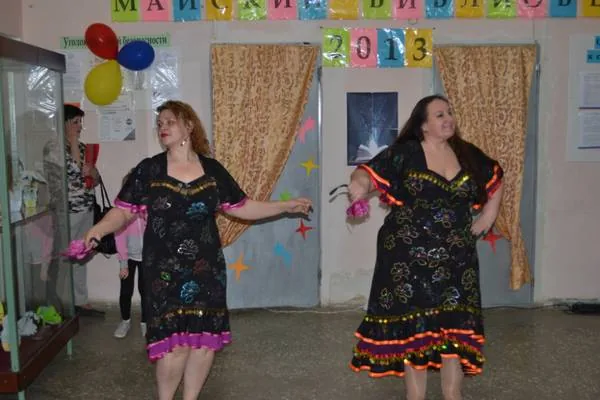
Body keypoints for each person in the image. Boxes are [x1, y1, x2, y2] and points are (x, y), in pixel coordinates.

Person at [83, 100, 312, 400]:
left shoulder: (212, 170)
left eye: (170, 121)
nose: (163, 127)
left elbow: (242, 207)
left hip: (207, 269)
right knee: (175, 347)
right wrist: (99, 229)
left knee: (203, 344)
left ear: (188, 126)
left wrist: (285, 206)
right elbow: (123, 211)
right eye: (160, 123)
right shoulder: (149, 170)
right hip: (163, 271)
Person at [348, 95, 503, 400]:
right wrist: (359, 186)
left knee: (455, 329)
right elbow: (365, 172)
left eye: (450, 113)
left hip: (457, 258)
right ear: (423, 125)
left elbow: (496, 175)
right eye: (439, 114)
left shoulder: (466, 153)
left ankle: (453, 394)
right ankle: (415, 396)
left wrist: (489, 215)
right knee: (415, 331)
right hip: (408, 258)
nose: (448, 118)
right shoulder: (406, 153)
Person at [43, 104, 104, 317]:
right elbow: (71, 172)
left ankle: (80, 301)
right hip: (66, 211)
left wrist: (93, 172)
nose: (79, 126)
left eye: (80, 122)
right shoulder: (53, 148)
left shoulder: (82, 146)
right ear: (64, 123)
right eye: (75, 122)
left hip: (86, 207)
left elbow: (94, 179)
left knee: (81, 256)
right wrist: (73, 143)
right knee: (64, 258)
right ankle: (61, 303)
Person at [113, 171, 147, 339]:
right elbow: (119, 237)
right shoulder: (122, 212)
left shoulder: (148, 209)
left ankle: (145, 322)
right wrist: (123, 263)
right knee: (126, 291)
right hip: (128, 258)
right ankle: (125, 321)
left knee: (146, 291)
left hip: (147, 258)